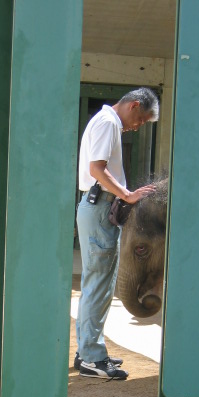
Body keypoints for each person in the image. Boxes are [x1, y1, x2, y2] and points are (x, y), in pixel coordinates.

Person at [75, 87, 159, 380]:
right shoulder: (109, 122)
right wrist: (127, 194)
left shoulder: (105, 121)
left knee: (97, 283)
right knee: (98, 284)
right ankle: (91, 359)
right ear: (134, 105)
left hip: (99, 207)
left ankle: (88, 349)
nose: (138, 127)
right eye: (142, 120)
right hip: (100, 206)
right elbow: (97, 169)